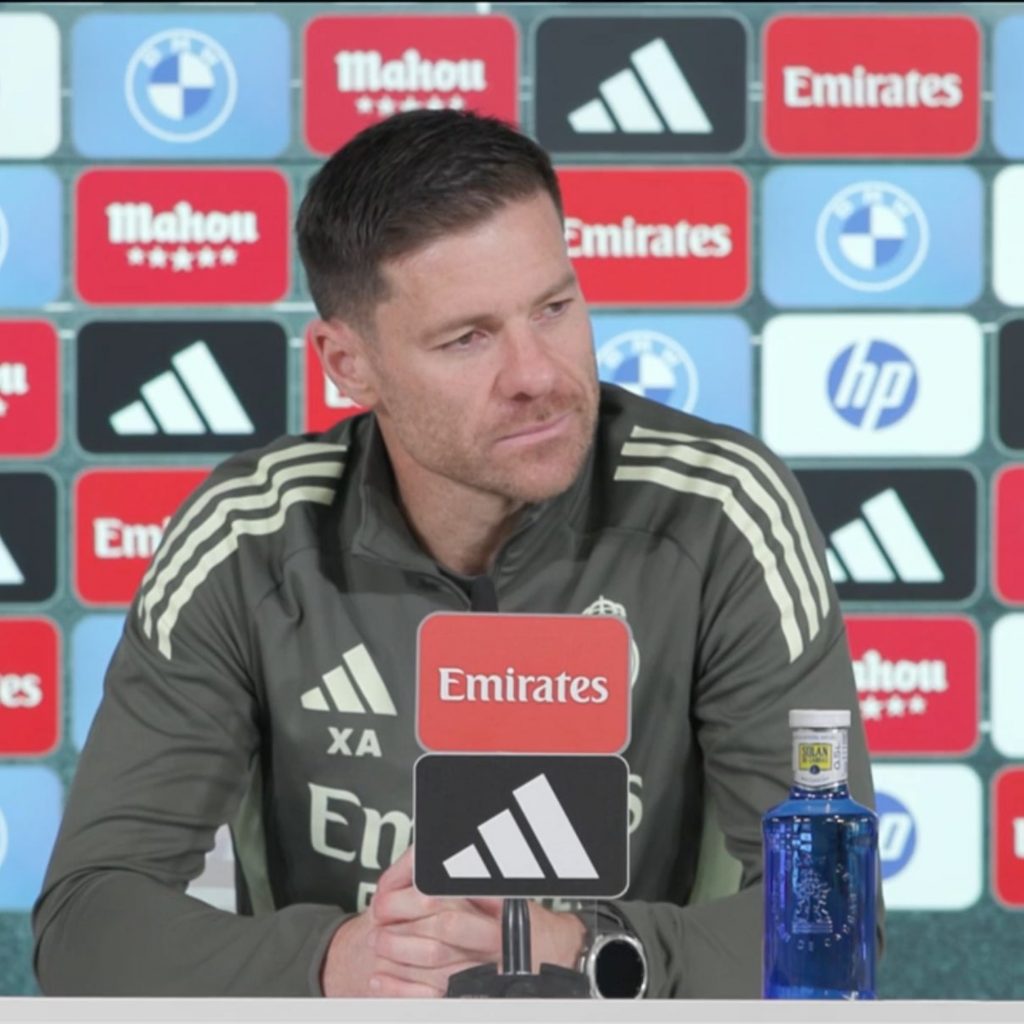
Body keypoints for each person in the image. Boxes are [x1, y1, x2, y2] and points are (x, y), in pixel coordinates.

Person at [32, 110, 881, 999]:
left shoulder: (717, 509)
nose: (537, 375)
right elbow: (86, 924)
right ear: (348, 364)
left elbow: (837, 921)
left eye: (554, 308)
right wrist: (336, 962)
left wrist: (583, 948)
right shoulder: (249, 538)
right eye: (467, 338)